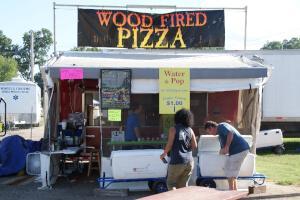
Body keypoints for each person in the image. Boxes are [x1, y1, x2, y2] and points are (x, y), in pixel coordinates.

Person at [204, 121, 250, 190]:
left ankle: (232, 191)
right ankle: (234, 190)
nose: (210, 134)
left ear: (211, 128)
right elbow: (224, 151)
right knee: (231, 171)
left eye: (209, 132)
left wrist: (227, 146)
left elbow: (230, 133)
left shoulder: (221, 126)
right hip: (240, 150)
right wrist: (222, 150)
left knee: (229, 171)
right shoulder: (220, 136)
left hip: (240, 149)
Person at [160, 109, 197, 190]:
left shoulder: (173, 129)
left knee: (171, 183)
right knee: (183, 186)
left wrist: (164, 154)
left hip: (177, 161)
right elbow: (195, 146)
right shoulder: (190, 130)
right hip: (189, 162)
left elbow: (169, 144)